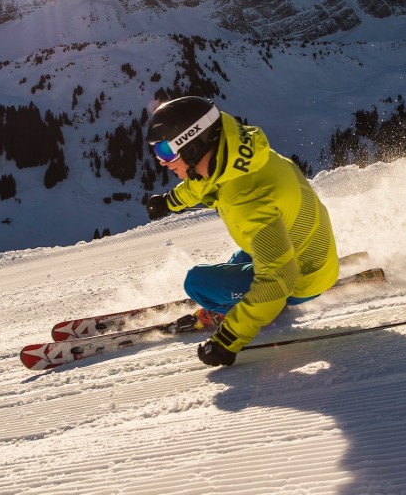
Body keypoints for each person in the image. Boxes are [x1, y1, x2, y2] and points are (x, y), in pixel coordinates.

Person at [144, 96, 340, 367]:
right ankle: (250, 300)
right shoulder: (238, 157)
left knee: (198, 283)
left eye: (166, 151)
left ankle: (254, 309)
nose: (163, 162)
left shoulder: (244, 197)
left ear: (192, 144)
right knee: (238, 260)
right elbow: (205, 181)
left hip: (299, 277)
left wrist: (229, 340)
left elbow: (279, 277)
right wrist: (170, 202)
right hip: (310, 253)